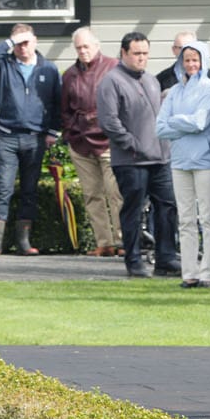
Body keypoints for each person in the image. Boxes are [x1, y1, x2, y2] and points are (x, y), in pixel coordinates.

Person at [97, 31, 180, 278]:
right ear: (124, 53)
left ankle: (166, 258)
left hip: (160, 157)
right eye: (137, 53)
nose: (142, 58)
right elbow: (109, 122)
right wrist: (133, 144)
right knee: (132, 211)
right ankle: (133, 261)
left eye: (145, 53)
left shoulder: (152, 80)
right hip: (131, 160)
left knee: (167, 206)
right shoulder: (111, 81)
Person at [0, 23, 61, 256]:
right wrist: (10, 41)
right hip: (6, 136)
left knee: (29, 189)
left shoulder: (49, 69)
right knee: (3, 188)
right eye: (18, 43)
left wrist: (53, 132)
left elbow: (57, 102)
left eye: (26, 42)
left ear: (35, 41)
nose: (22, 47)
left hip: (35, 138)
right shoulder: (4, 65)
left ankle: (24, 241)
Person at [157, 39, 210, 288]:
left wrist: (175, 121)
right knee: (185, 219)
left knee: (207, 218)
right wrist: (184, 123)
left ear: (203, 61)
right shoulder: (174, 91)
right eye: (187, 60)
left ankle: (207, 273)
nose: (191, 64)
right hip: (179, 161)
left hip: (206, 161)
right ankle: (189, 273)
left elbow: (200, 122)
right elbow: (160, 128)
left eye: (195, 59)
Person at [61, 27, 124, 257]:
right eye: (78, 47)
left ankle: (123, 241)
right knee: (91, 195)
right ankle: (104, 243)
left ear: (97, 46)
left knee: (116, 192)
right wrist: (70, 132)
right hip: (80, 142)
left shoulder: (114, 67)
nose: (83, 51)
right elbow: (64, 109)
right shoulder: (69, 75)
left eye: (86, 46)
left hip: (109, 141)